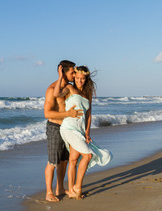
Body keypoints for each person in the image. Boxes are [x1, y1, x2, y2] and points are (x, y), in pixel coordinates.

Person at [54, 65, 112, 200]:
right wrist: (60, 77)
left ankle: (72, 190)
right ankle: (78, 187)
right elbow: (57, 94)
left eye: (82, 79)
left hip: (79, 130)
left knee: (73, 160)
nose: (80, 81)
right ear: (74, 77)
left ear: (86, 79)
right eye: (78, 78)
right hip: (68, 128)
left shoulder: (87, 94)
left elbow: (89, 114)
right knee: (87, 156)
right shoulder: (69, 88)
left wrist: (87, 132)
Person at [44, 60, 84, 202]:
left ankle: (60, 188)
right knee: (53, 162)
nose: (74, 75)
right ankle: (49, 192)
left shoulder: (69, 87)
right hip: (55, 127)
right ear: (63, 72)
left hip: (67, 128)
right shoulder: (52, 89)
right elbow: (47, 114)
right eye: (72, 72)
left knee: (64, 161)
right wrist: (67, 114)